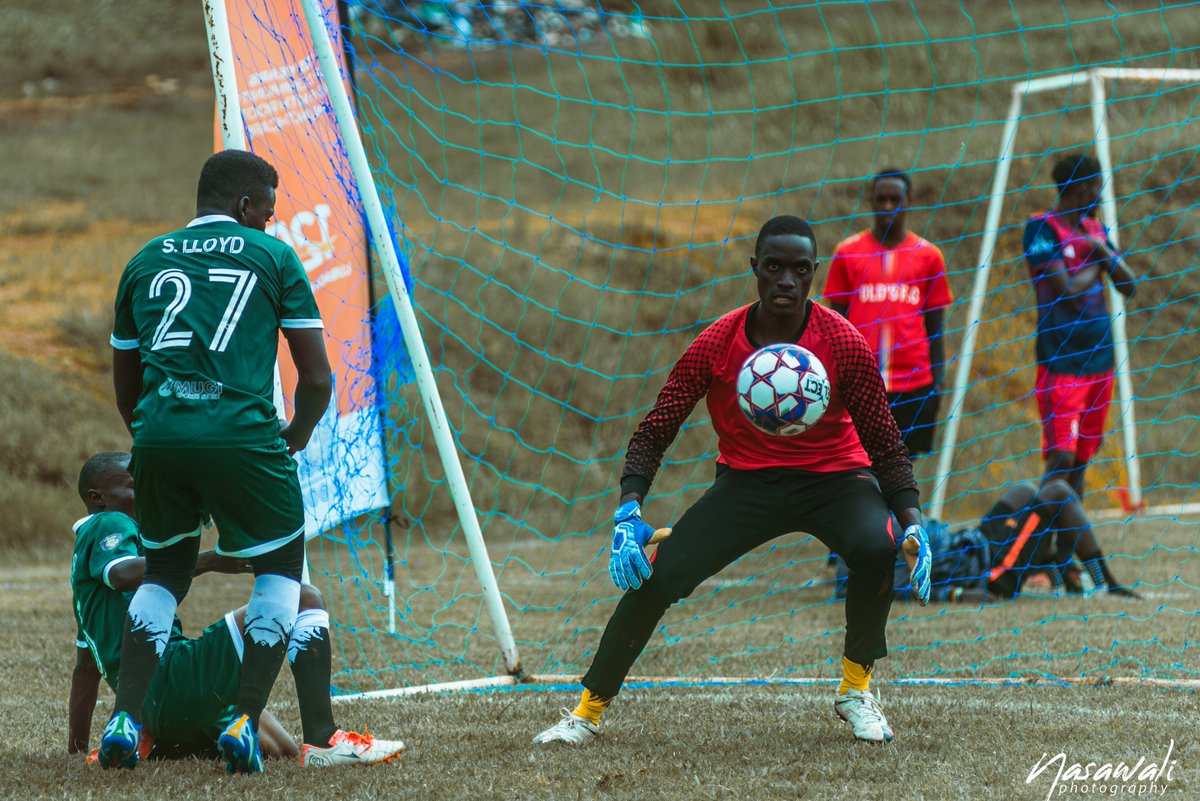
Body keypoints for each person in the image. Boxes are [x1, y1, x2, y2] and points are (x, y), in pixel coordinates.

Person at [532, 215, 932, 746]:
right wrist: (629, 508)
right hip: (748, 483)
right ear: (755, 270)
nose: (786, 280)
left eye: (799, 269)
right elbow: (656, 429)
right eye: (774, 267)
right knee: (657, 579)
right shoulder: (717, 341)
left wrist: (912, 521)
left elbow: (884, 441)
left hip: (837, 479)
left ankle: (855, 690)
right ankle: (585, 712)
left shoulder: (843, 340)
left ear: (814, 274)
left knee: (875, 545)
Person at [101, 149, 335, 772]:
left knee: (163, 575)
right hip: (245, 439)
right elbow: (316, 377)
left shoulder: (144, 260)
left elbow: (126, 387)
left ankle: (125, 718)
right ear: (244, 204)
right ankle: (242, 719)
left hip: (160, 438)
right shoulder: (273, 257)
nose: (270, 221)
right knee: (282, 568)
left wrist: (158, 438)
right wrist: (295, 435)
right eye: (268, 209)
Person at [70, 452, 405, 766]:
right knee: (303, 597)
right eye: (132, 485)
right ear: (98, 497)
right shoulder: (108, 522)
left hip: (148, 705)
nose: (145, 490)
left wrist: (75, 752)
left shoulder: (84, 586)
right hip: (169, 681)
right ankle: (323, 739)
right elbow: (121, 573)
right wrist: (209, 560)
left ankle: (156, 740)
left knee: (281, 748)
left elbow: (85, 670)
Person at [1023, 154, 1137, 497]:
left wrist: (1099, 249)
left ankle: (1062, 549)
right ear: (1083, 188)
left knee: (1082, 460)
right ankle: (1034, 542)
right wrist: (1100, 259)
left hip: (1100, 359)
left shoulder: (1095, 230)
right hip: (1061, 360)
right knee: (1062, 459)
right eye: (1097, 186)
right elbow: (1066, 290)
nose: (1101, 193)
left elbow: (1129, 284)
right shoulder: (1042, 228)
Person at [832, 479, 1136, 602]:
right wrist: (958, 594)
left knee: (1023, 491)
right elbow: (897, 586)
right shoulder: (862, 548)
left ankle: (1058, 567)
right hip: (989, 573)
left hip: (974, 542)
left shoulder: (872, 517)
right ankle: (1105, 584)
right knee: (1057, 493)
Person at [823, 168, 953, 457]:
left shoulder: (929, 256)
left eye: (895, 199)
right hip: (861, 383)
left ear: (909, 201)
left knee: (906, 468)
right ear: (870, 200)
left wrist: (939, 379)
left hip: (915, 384)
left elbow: (936, 326)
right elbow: (835, 325)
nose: (887, 206)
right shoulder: (847, 252)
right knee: (859, 464)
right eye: (880, 199)